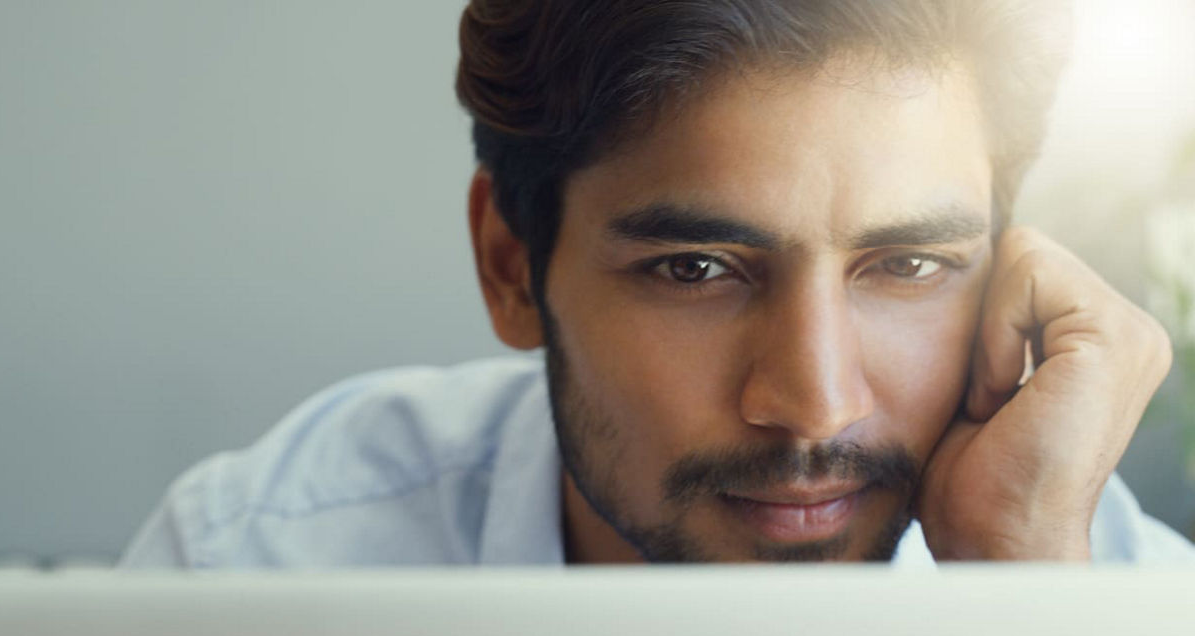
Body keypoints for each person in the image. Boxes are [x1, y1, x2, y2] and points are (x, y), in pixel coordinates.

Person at [121, 0, 1194, 567]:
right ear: (510, 268)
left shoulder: (1106, 596)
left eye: (906, 265)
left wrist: (1022, 597)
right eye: (694, 270)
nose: (815, 403)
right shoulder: (258, 567)